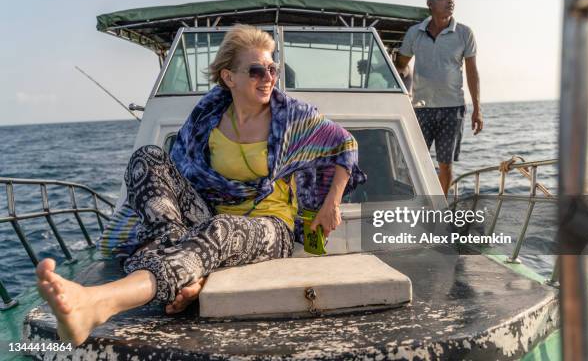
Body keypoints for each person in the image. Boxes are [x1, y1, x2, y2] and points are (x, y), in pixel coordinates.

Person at [35, 25, 366, 346]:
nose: (268, 78)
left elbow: (345, 145)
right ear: (228, 77)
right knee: (147, 157)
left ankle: (99, 303)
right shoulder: (209, 114)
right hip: (208, 215)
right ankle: (185, 265)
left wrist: (331, 203)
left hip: (271, 226)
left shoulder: (293, 117)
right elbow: (177, 167)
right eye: (256, 71)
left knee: (219, 230)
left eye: (272, 68)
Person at [395, 0, 483, 195]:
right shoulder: (414, 33)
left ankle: (440, 209)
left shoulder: (464, 33)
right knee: (413, 160)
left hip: (452, 108)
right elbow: (401, 65)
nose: (451, 0)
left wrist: (477, 109)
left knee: (446, 164)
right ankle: (416, 201)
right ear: (430, 4)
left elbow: (472, 73)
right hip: (420, 107)